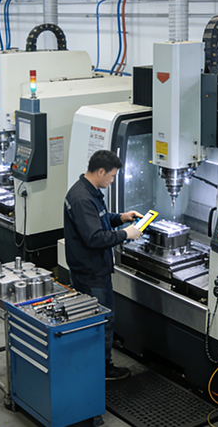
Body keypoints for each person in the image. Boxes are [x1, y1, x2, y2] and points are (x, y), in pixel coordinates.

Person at [63, 149, 143, 381]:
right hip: (91, 272)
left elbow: (99, 220)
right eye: (112, 175)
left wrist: (121, 218)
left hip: (91, 268)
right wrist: (126, 234)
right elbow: (94, 237)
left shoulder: (88, 191)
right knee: (101, 320)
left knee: (92, 319)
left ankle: (91, 363)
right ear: (101, 171)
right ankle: (103, 368)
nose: (112, 180)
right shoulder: (82, 198)